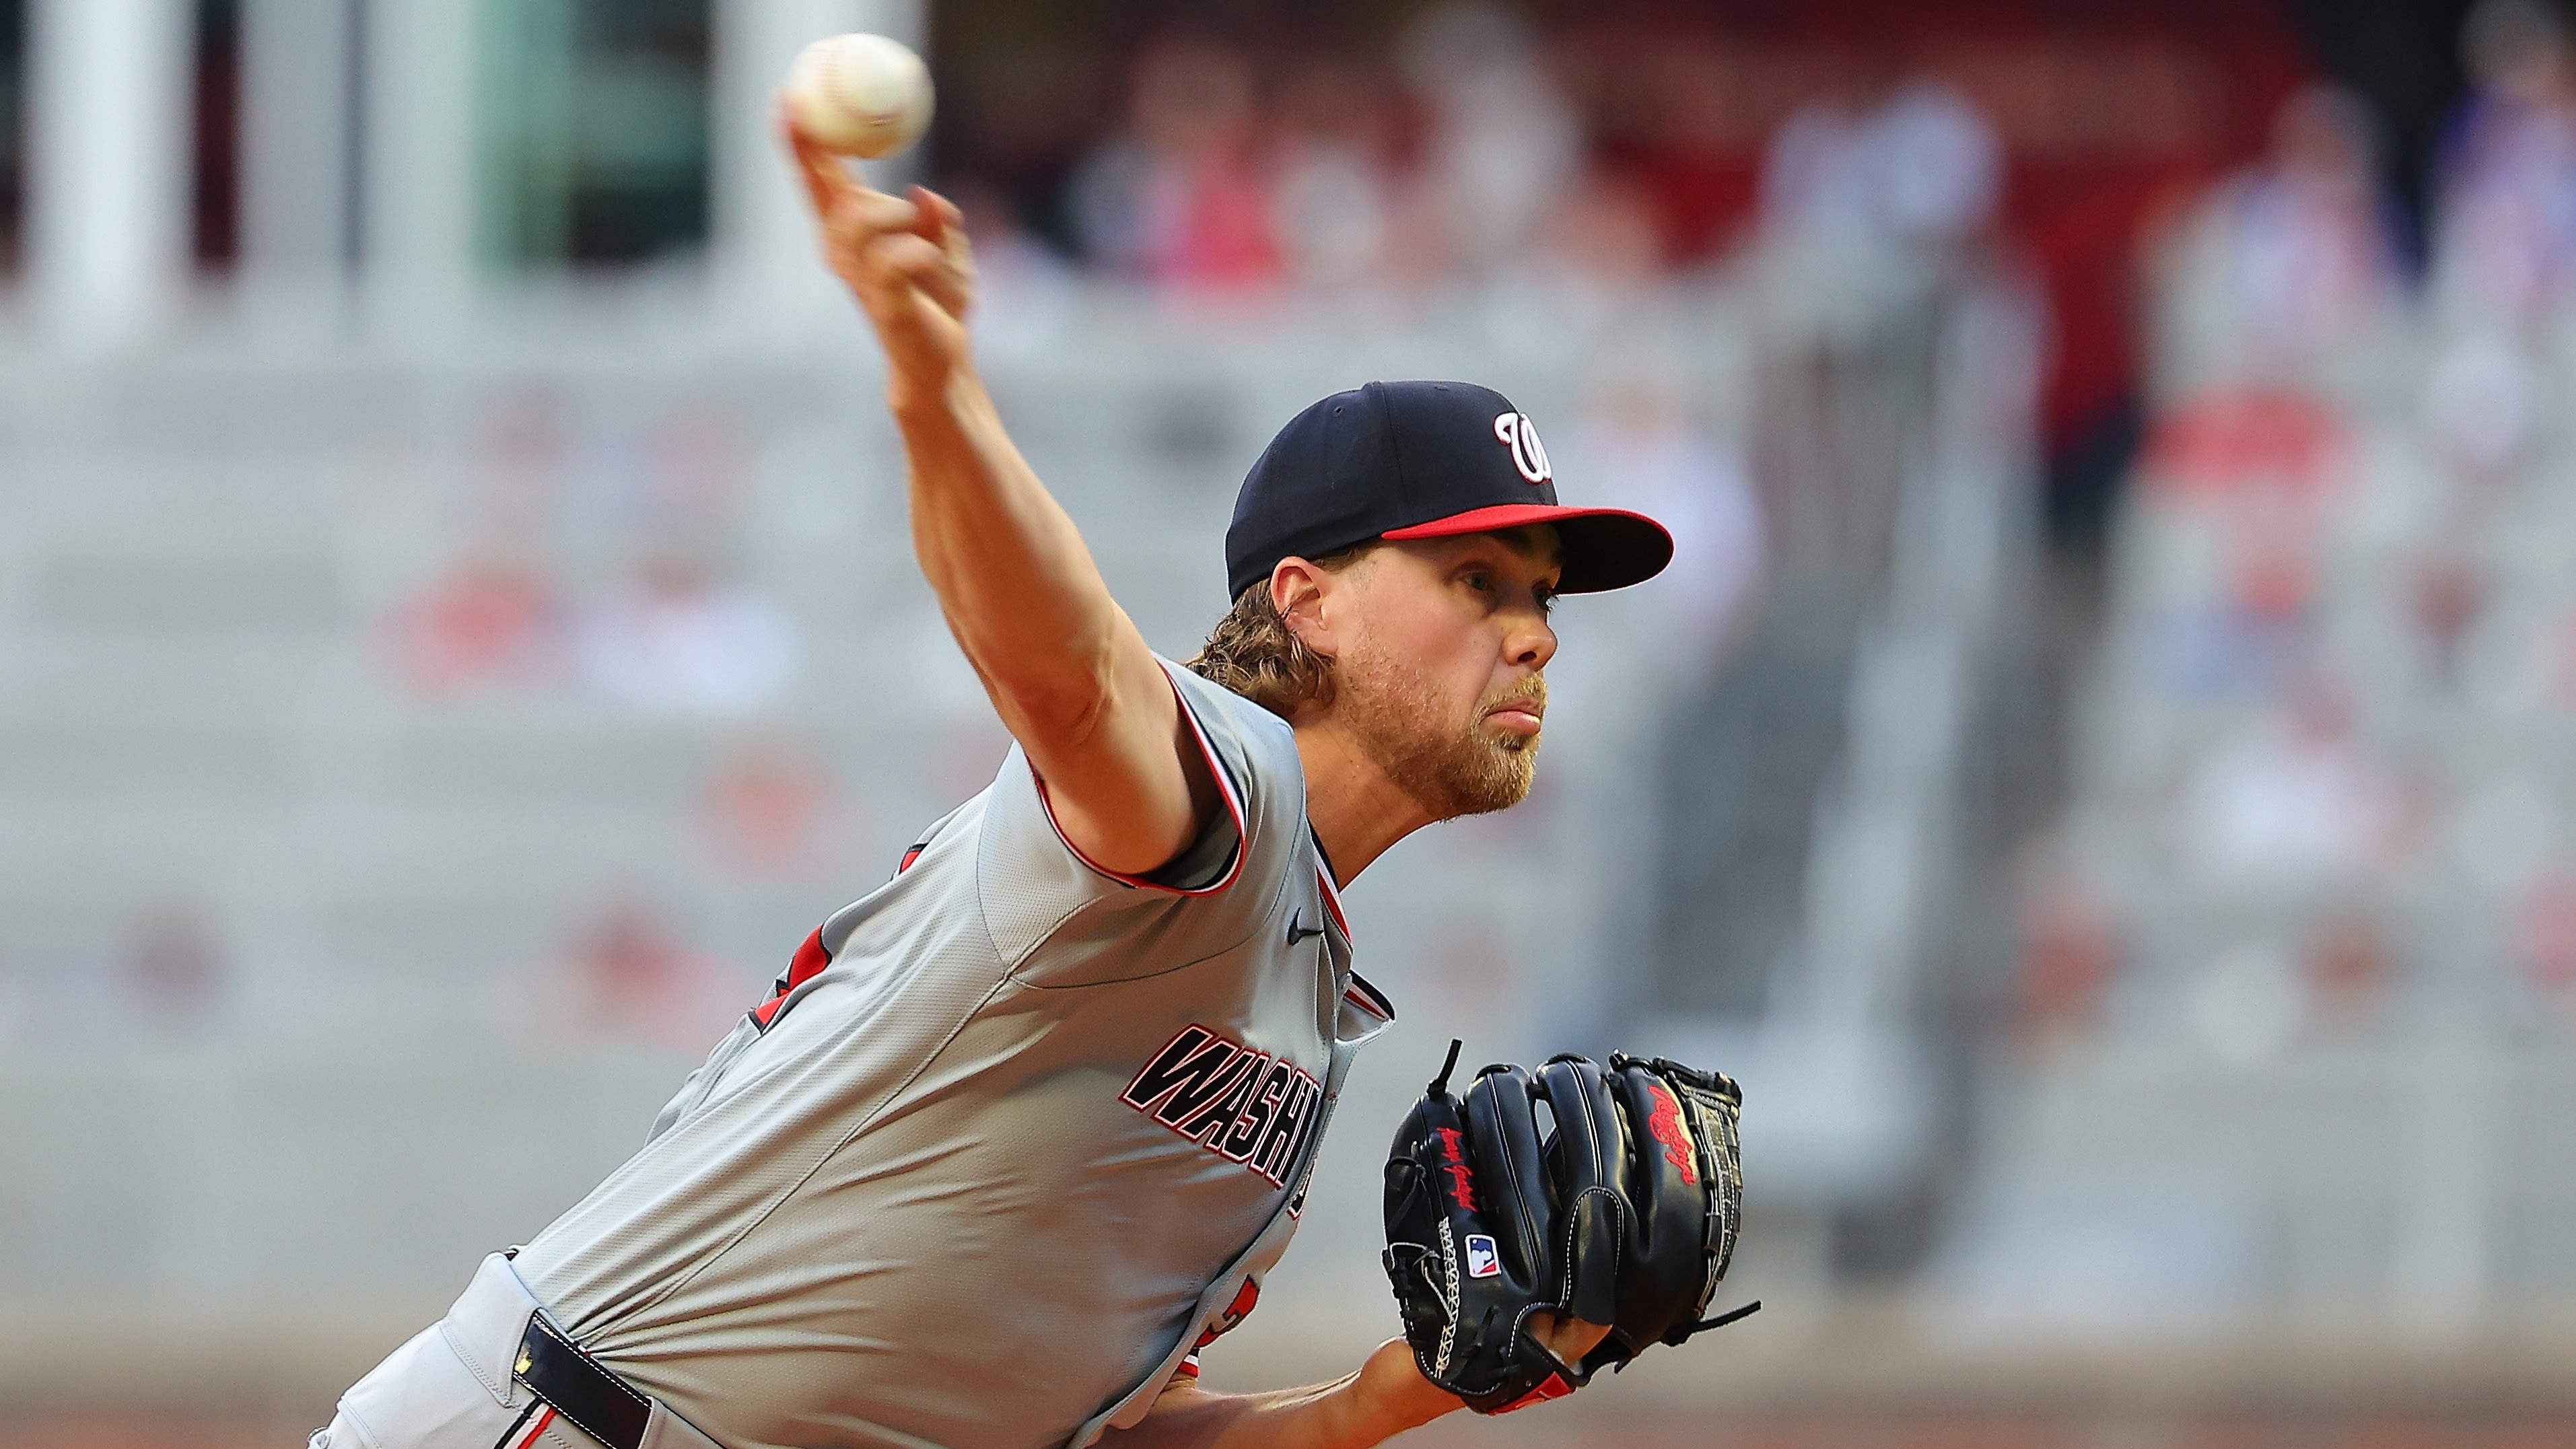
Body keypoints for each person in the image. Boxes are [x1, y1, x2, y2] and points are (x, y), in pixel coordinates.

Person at [310, 106, 1675, 1449]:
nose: (1536, 631)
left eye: (1545, 594)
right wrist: (932, 383)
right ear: (1306, 602)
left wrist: (1384, 1403)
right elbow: (1066, 670)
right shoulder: (1221, 805)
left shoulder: (1307, 1019)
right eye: (1476, 579)